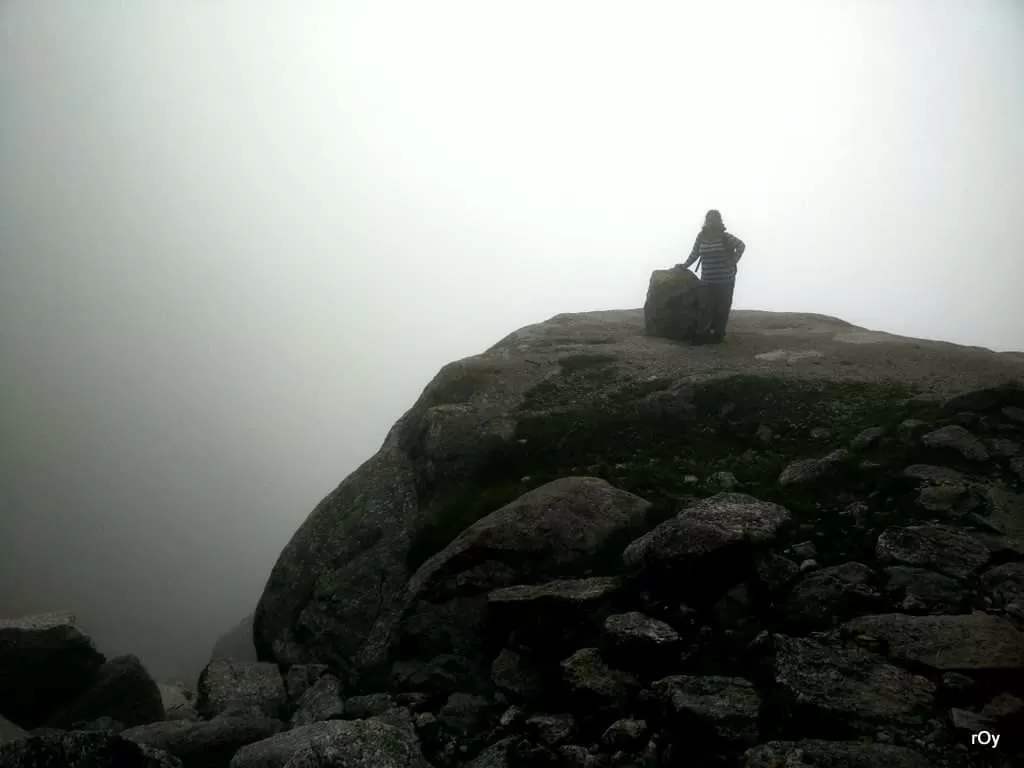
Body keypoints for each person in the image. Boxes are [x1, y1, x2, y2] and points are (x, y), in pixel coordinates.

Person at [676, 209, 746, 344]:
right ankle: (701, 334)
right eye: (709, 219)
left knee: (722, 307)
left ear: (718, 221)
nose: (711, 222)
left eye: (714, 220)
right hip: (707, 279)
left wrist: (733, 261)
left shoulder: (725, 237)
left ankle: (718, 335)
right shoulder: (701, 237)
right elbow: (695, 253)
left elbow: (741, 245)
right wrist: (684, 265)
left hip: (726, 279)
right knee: (704, 307)